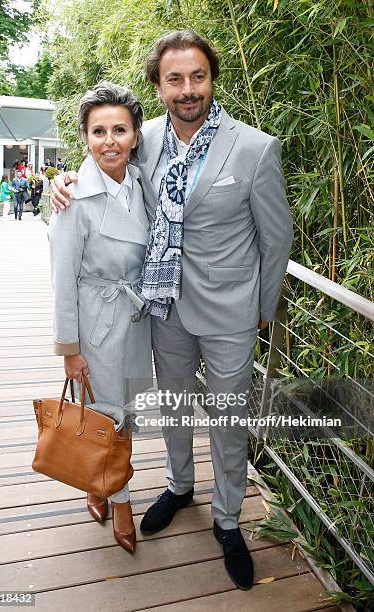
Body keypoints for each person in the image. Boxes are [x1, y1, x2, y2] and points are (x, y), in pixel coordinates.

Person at [51, 30, 293, 589]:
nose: (188, 90)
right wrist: (62, 182)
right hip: (164, 308)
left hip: (233, 310)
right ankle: (180, 485)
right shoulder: (146, 139)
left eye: (198, 76)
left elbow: (276, 237)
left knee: (229, 419)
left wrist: (263, 306)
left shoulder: (255, 148)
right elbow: (101, 172)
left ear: (213, 79)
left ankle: (228, 518)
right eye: (174, 79)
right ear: (158, 87)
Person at [48, 81, 152, 553]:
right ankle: (122, 502)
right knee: (105, 412)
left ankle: (100, 481)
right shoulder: (73, 199)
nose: (109, 141)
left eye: (119, 130)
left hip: (137, 318)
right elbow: (62, 279)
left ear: (135, 135)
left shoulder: (145, 183)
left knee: (123, 412)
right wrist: (69, 350)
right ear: (85, 137)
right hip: (97, 322)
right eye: (98, 131)